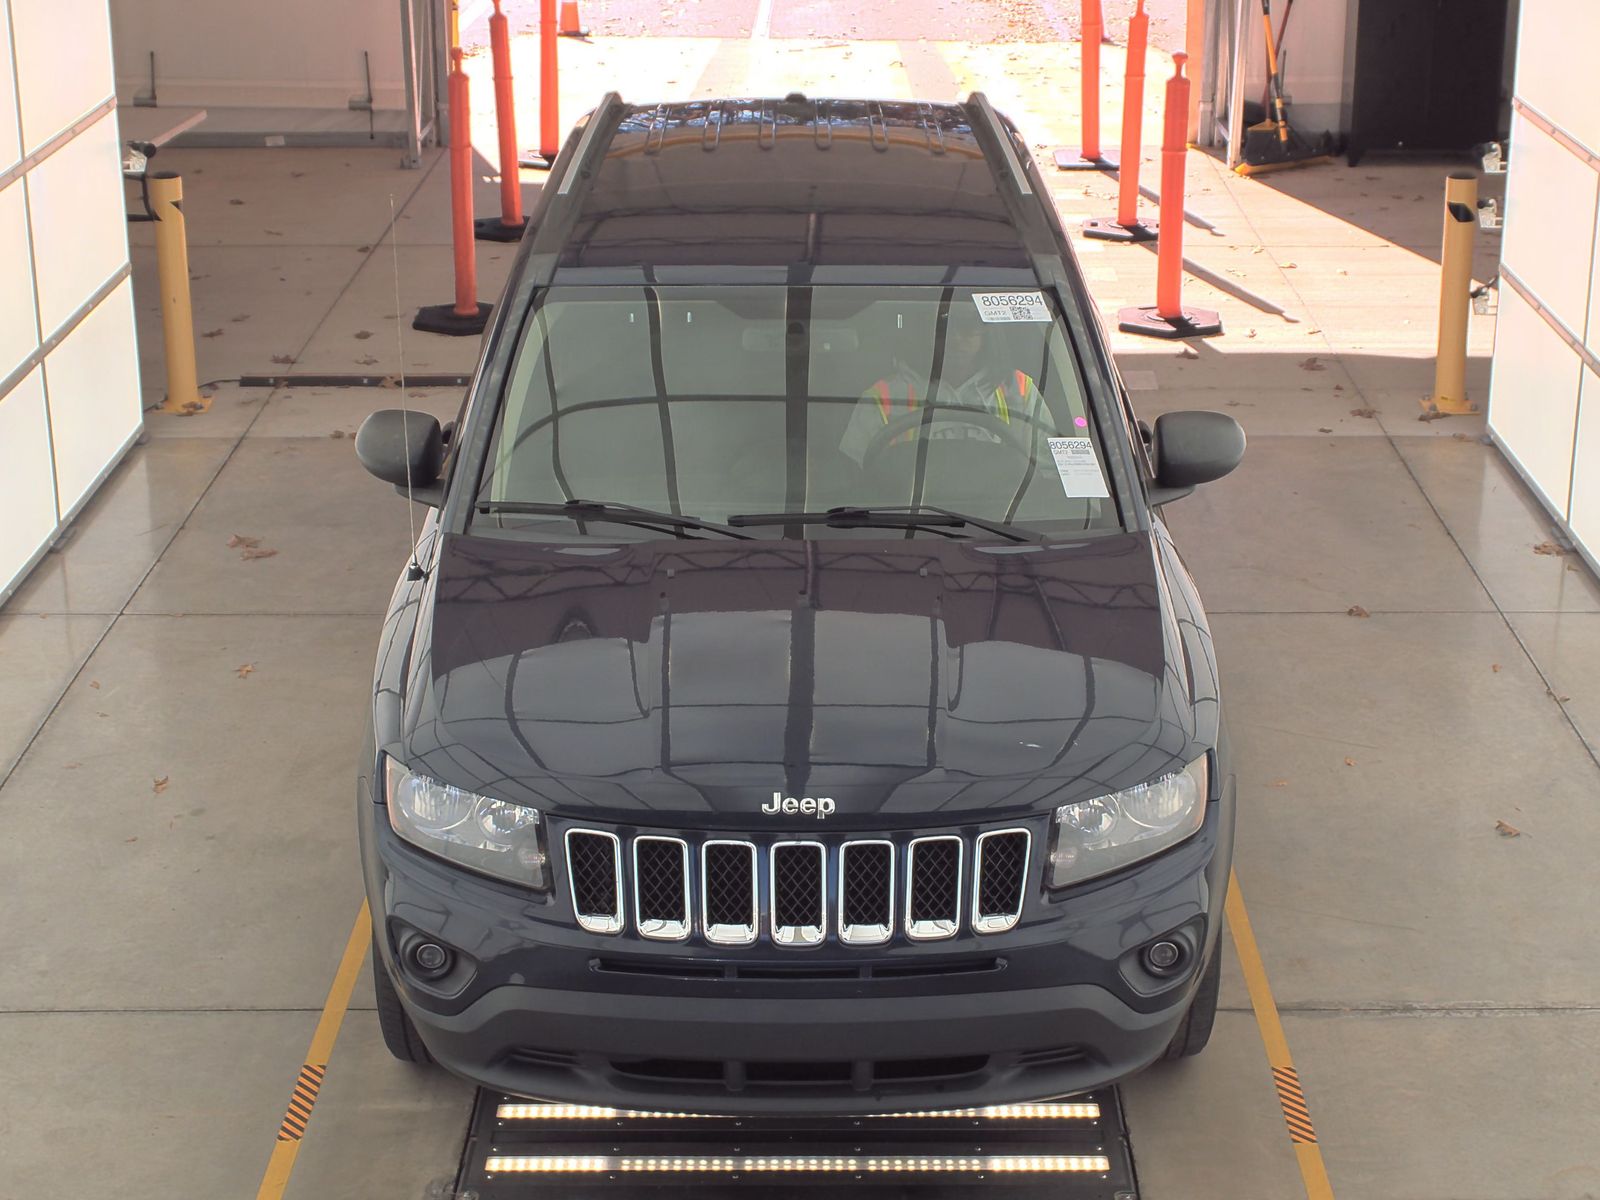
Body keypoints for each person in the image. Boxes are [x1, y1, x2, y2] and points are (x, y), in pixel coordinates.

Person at [839, 302, 1039, 467]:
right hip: (905, 513)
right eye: (944, 325)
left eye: (969, 325)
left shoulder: (1019, 389)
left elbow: (1047, 471)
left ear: (988, 332)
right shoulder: (884, 395)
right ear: (925, 332)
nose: (956, 338)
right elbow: (855, 479)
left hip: (1005, 513)